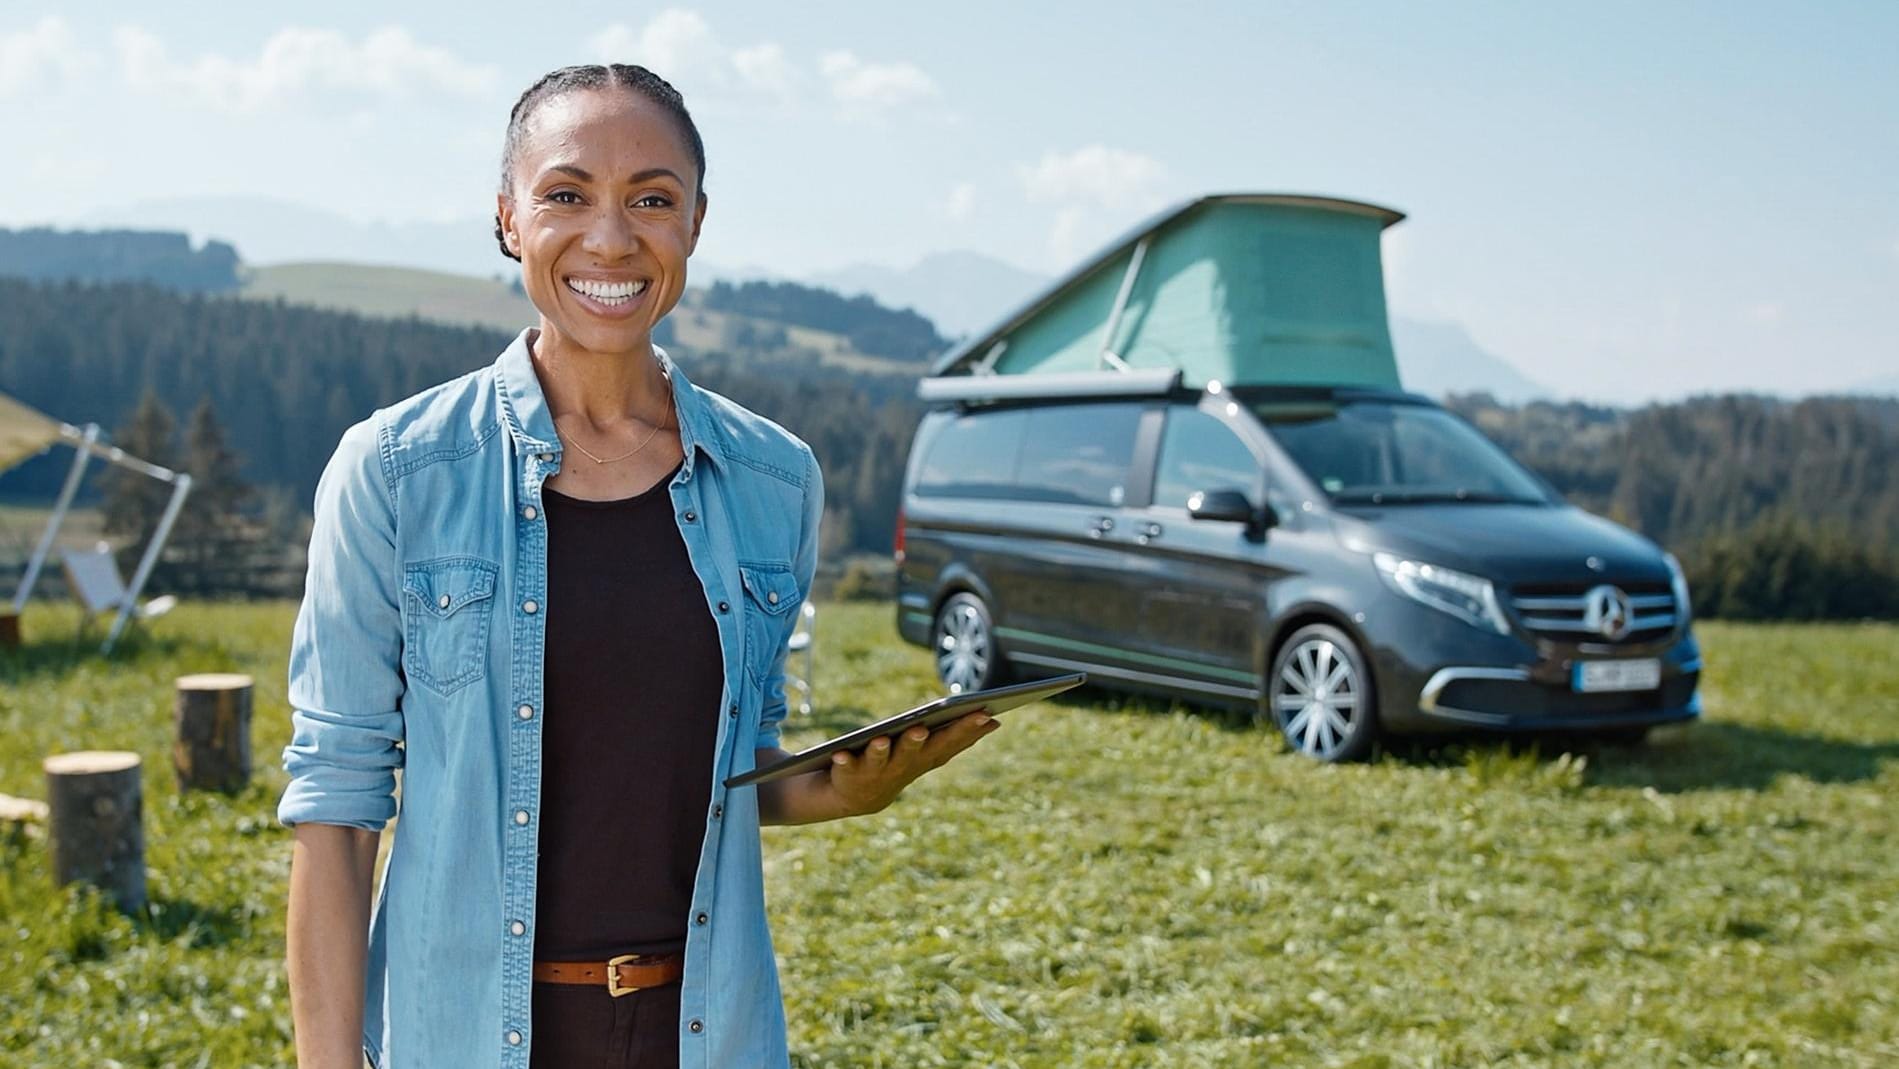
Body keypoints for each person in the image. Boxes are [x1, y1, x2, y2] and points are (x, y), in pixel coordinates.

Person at [277, 63, 1000, 1069]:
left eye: (650, 200)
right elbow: (336, 804)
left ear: (696, 223)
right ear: (507, 219)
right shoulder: (397, 471)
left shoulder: (773, 478)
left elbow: (732, 765)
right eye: (566, 195)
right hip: (464, 1037)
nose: (610, 239)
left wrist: (842, 791)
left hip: (704, 1033)